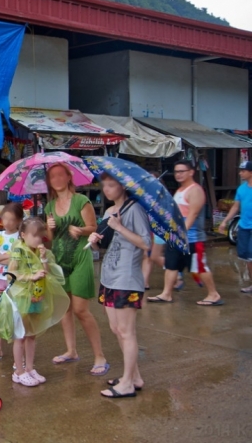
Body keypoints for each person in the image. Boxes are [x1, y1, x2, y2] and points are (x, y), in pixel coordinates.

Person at [88, 173, 150, 399]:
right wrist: (95, 243)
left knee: (127, 331)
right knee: (116, 329)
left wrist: (120, 227)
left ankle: (126, 383)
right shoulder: (108, 212)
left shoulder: (134, 209)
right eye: (104, 185)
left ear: (123, 186)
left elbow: (145, 243)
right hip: (109, 276)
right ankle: (134, 376)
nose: (106, 189)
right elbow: (104, 248)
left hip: (127, 278)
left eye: (111, 185)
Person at [45, 163, 108, 376]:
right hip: (60, 260)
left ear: (68, 177)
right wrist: (50, 229)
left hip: (81, 258)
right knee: (65, 309)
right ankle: (71, 351)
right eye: (52, 176)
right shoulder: (50, 206)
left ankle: (100, 356)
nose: (57, 178)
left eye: (60, 174)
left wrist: (80, 230)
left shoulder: (82, 201)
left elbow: (94, 228)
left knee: (81, 310)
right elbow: (50, 240)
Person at [148, 160, 223, 305]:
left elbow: (192, 215)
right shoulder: (179, 190)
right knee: (171, 266)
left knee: (200, 267)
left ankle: (213, 294)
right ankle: (166, 293)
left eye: (182, 171)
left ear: (191, 172)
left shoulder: (195, 190)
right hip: (176, 237)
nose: (178, 174)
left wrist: (181, 234)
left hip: (192, 239)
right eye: (176, 172)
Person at [7, 217, 69, 387]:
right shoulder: (19, 250)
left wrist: (43, 258)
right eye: (34, 236)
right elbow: (10, 273)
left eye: (41, 236)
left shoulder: (40, 251)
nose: (38, 239)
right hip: (21, 296)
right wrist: (30, 276)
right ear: (23, 235)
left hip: (37, 296)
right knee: (20, 335)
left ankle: (30, 368)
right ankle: (18, 371)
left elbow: (48, 273)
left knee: (32, 334)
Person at [0, 202, 24, 364]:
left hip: (15, 281)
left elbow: (20, 258)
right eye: (5, 218)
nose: (7, 222)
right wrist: (8, 257)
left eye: (12, 219)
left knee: (16, 315)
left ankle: (18, 354)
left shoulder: (21, 237)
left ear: (19, 220)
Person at [220, 161, 252, 294]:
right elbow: (235, 206)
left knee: (251, 256)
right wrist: (225, 221)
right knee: (245, 256)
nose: (240, 173)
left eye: (243, 170)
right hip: (244, 227)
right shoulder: (241, 189)